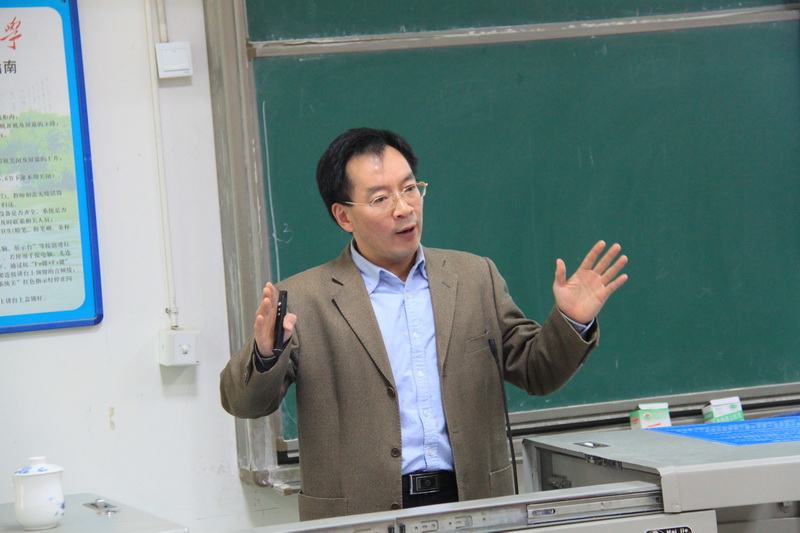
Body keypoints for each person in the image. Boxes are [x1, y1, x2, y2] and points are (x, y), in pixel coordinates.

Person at [220, 127, 628, 521]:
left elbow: (537, 372)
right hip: (361, 513)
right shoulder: (304, 298)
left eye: (410, 188)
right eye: (380, 198)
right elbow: (243, 403)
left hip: (474, 502)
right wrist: (265, 354)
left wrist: (572, 320)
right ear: (344, 216)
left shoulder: (474, 277)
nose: (403, 208)